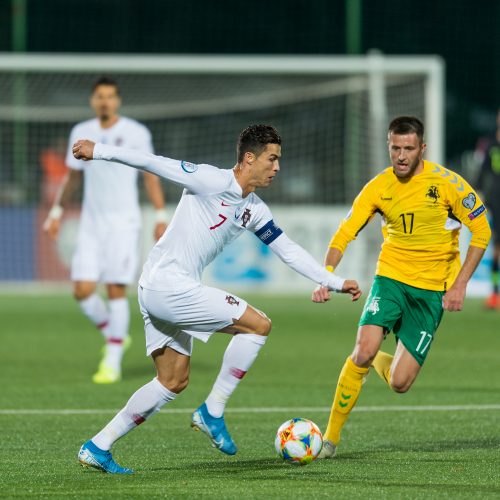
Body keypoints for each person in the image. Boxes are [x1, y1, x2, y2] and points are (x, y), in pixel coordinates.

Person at [72, 124, 361, 474]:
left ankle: (97, 446)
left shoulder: (255, 209)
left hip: (158, 288)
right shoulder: (210, 180)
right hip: (168, 285)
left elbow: (289, 251)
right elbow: (153, 162)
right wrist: (99, 149)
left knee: (173, 380)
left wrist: (333, 281)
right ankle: (213, 410)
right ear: (249, 158)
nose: (277, 167)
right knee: (258, 325)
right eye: (272, 159)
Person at [312, 116, 491, 459]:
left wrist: (460, 285)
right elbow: (345, 232)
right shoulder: (378, 187)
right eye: (395, 148)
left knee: (399, 383)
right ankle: (330, 440)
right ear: (388, 146)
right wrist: (327, 274)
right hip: (391, 278)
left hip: (431, 292)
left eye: (409, 148)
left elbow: (482, 232)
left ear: (422, 148)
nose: (402, 155)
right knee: (362, 350)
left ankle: (368, 358)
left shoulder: (448, 184)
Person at [43, 77, 168, 384]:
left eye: (110, 97)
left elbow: (151, 175)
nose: (105, 102)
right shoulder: (80, 131)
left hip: (124, 224)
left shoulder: (136, 133)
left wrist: (161, 215)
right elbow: (72, 178)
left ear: (118, 101)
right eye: (100, 96)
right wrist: (57, 212)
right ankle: (114, 333)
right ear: (92, 100)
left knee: (115, 289)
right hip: (90, 223)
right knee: (82, 290)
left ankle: (111, 362)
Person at [476, 108, 500, 309]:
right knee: (496, 251)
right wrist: (479, 195)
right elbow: (482, 174)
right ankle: (494, 292)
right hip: (495, 203)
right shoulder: (491, 146)